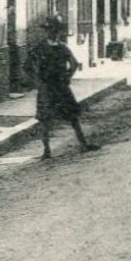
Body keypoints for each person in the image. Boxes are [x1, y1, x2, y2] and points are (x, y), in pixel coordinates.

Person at [31, 16, 99, 159]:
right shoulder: (41, 48)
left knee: (73, 116)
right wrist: (38, 81)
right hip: (49, 87)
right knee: (44, 120)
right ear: (47, 31)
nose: (52, 33)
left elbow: (74, 64)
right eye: (50, 30)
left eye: (54, 30)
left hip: (59, 86)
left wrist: (67, 77)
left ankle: (83, 144)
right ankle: (46, 150)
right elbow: (28, 66)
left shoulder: (59, 48)